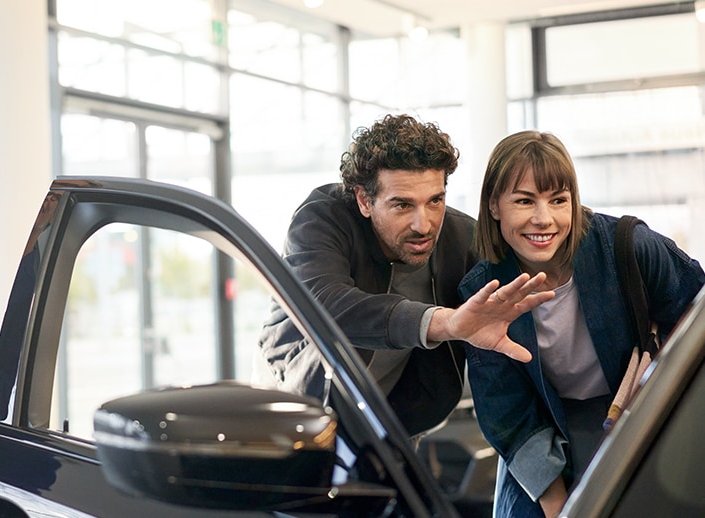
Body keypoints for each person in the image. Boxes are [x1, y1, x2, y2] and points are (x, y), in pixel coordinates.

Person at [256, 114, 552, 438]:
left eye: (435, 201)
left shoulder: (462, 238)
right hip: (297, 405)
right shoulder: (322, 218)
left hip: (395, 425)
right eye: (402, 205)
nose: (423, 225)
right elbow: (325, 305)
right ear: (364, 200)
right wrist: (443, 323)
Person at [459, 130, 705, 518]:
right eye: (524, 201)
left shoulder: (629, 247)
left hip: (636, 418)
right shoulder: (483, 292)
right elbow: (505, 411)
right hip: (547, 430)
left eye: (559, 200)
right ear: (494, 206)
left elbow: (697, 320)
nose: (544, 219)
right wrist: (557, 504)